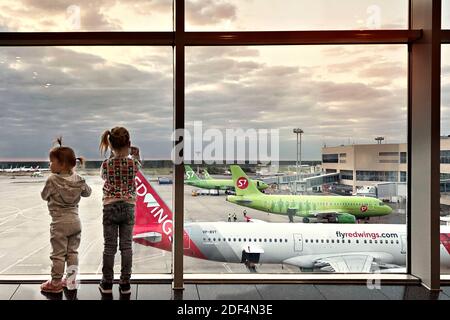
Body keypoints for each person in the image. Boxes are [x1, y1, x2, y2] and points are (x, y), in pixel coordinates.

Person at [40, 137, 91, 293]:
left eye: (52, 162)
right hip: (75, 222)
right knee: (72, 253)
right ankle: (71, 280)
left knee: (58, 254)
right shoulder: (79, 179)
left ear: (61, 164)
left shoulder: (52, 180)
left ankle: (55, 283)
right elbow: (88, 193)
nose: (50, 164)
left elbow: (44, 196)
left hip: (59, 223)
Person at [99, 127, 141, 295]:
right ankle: (125, 284)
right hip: (128, 206)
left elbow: (104, 176)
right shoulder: (133, 163)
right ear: (129, 144)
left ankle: (107, 283)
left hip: (109, 206)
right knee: (126, 247)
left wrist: (112, 156)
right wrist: (135, 154)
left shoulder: (106, 164)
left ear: (110, 145)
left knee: (109, 247)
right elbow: (137, 168)